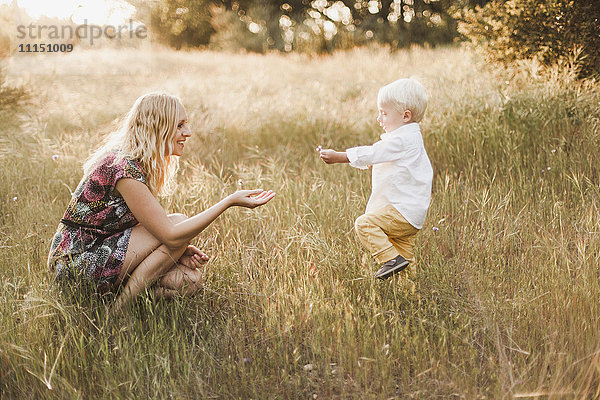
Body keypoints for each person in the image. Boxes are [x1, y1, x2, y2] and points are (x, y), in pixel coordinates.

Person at [47, 92, 276, 310]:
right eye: (179, 125)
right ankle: (118, 312)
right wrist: (228, 202)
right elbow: (170, 234)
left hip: (103, 254)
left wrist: (177, 248)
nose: (187, 132)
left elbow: (136, 226)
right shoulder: (123, 169)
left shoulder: (137, 163)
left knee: (190, 280)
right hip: (74, 264)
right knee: (178, 224)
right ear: (158, 128)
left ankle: (109, 299)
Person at [319, 78, 432, 280]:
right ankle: (411, 296)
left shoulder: (402, 139)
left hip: (402, 211)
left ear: (406, 116)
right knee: (406, 259)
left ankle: (390, 259)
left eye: (384, 113)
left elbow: (373, 152)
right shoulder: (410, 138)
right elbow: (389, 160)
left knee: (364, 224)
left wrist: (340, 156)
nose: (379, 118)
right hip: (412, 215)